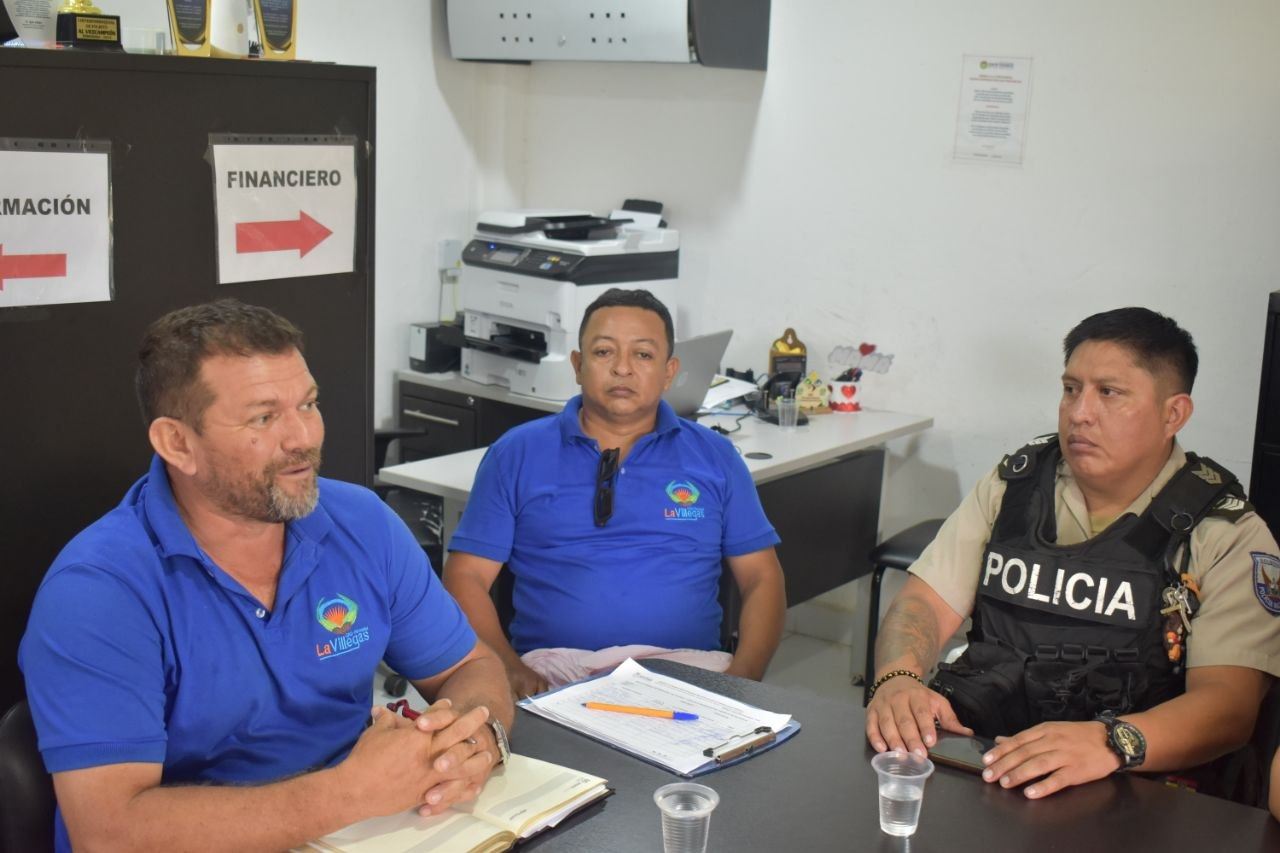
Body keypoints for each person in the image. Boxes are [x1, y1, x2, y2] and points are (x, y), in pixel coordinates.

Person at [19, 300, 515, 852]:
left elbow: (469, 666)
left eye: (308, 404)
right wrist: (345, 795)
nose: (302, 437)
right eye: (263, 417)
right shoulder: (98, 591)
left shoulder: (362, 523)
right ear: (177, 443)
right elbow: (109, 833)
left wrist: (472, 738)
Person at [865, 307, 1280, 800]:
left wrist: (1112, 742)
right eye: (1070, 389)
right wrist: (897, 679)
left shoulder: (1223, 532)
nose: (1079, 413)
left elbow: (1229, 708)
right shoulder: (1014, 486)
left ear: (1173, 414)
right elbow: (924, 602)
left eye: (1109, 392)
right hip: (986, 759)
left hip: (1133, 788)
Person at [443, 288, 787, 697]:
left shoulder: (715, 457)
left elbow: (762, 577)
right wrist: (507, 666)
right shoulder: (515, 454)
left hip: (689, 673)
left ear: (669, 371)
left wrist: (742, 678)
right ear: (578, 365)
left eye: (643, 354)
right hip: (554, 675)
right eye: (604, 352)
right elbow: (466, 576)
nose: (623, 368)